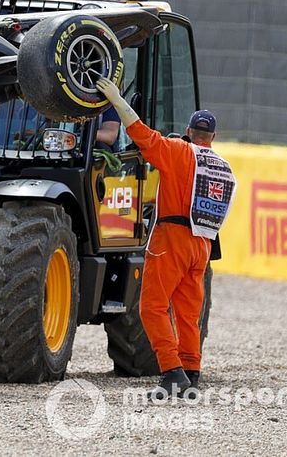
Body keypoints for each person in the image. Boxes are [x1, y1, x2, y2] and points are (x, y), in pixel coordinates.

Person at [96, 78, 237, 401]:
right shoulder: (223, 167)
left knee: (152, 307)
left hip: (170, 238)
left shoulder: (177, 151)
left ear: (188, 132)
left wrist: (117, 99)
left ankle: (172, 372)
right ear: (212, 138)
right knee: (188, 313)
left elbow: (139, 131)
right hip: (203, 243)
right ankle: (191, 373)